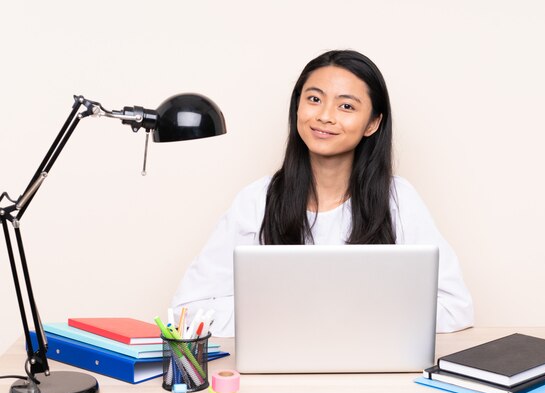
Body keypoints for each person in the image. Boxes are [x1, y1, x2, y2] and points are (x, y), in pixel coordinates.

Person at [172, 50, 473, 336]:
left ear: (372, 123)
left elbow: (455, 307)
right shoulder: (257, 200)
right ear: (298, 107)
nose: (325, 116)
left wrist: (348, 317)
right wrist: (293, 315)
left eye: (346, 106)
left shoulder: (398, 199)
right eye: (314, 99)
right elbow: (186, 313)